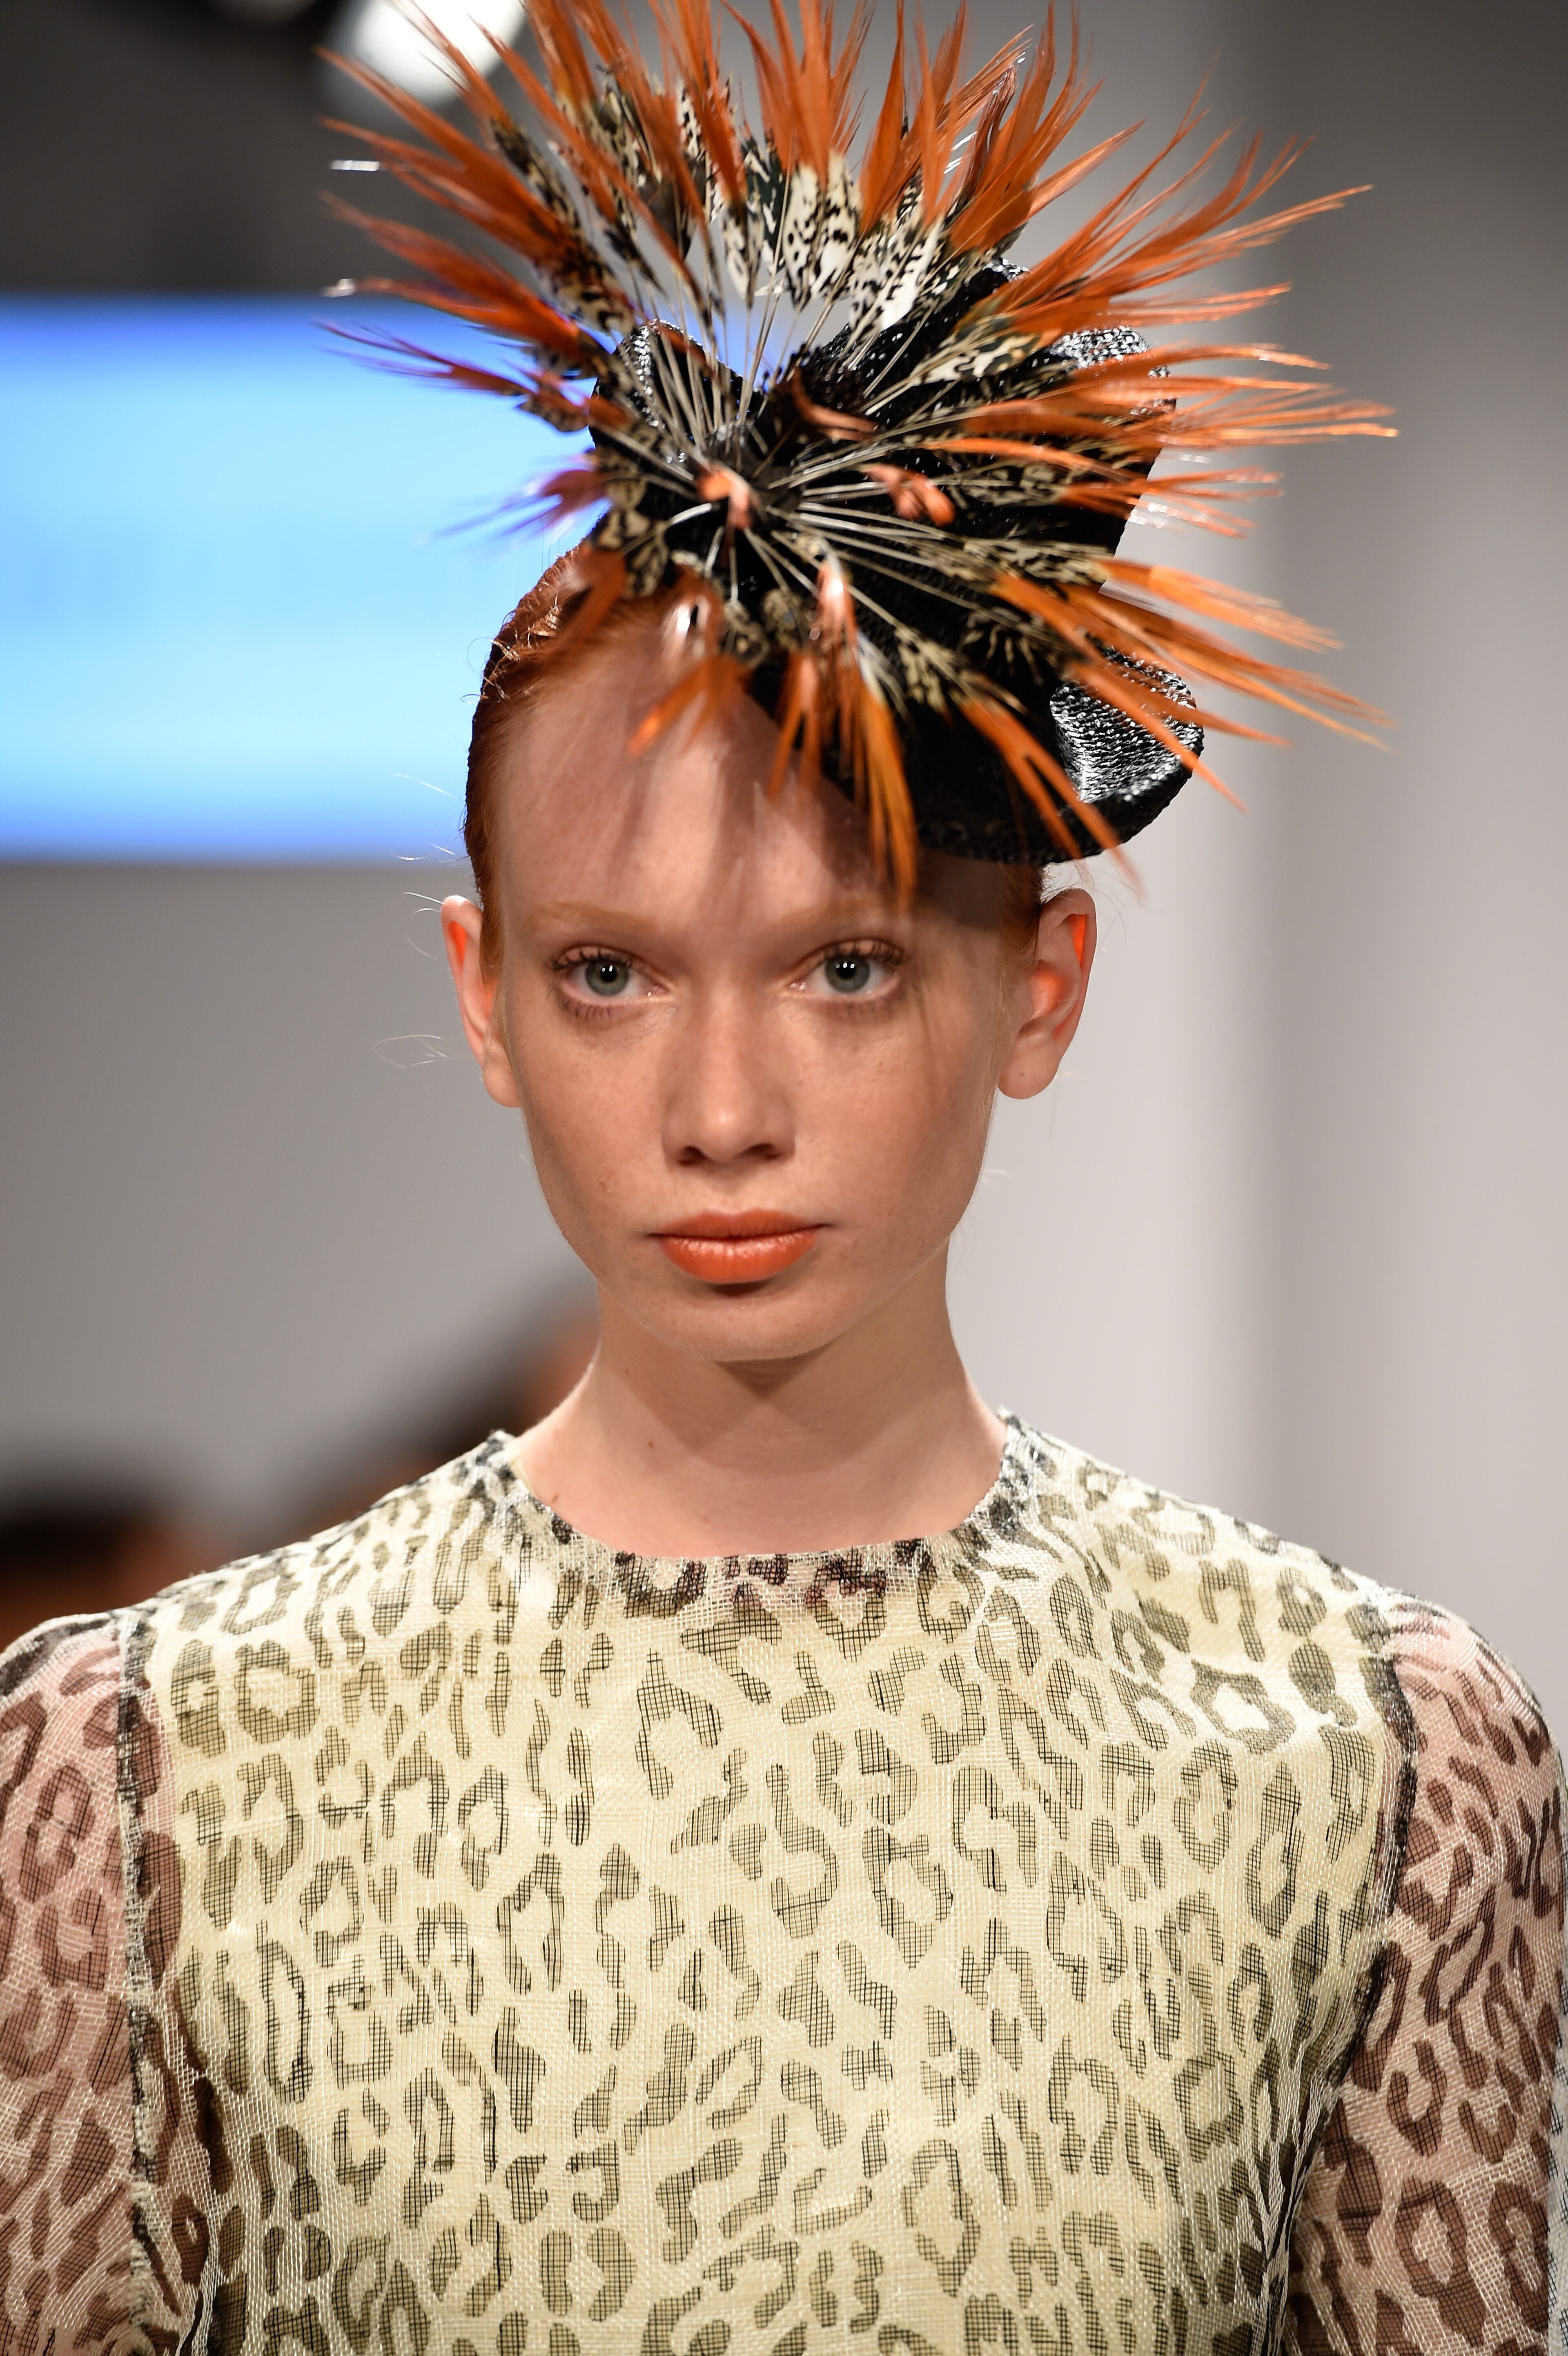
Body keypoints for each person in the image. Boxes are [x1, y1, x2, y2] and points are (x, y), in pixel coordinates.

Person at [2, 6, 1559, 2352]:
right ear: (485, 993)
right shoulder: (128, 1780)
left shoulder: (1377, 1766)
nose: (722, 1103)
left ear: (1037, 992)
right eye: (615, 971)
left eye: (844, 967)